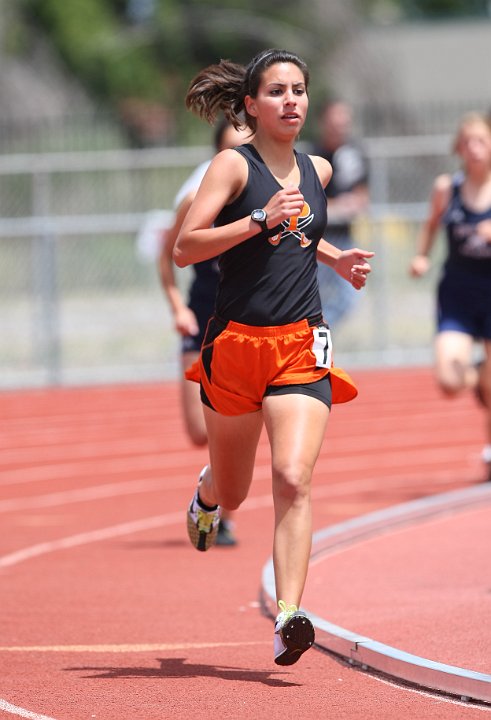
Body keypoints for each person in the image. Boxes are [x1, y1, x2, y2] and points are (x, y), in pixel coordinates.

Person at [173, 48, 373, 666]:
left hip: (299, 344)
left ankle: (289, 614)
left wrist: (333, 255)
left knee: (292, 476)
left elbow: (299, 237)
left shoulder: (318, 167)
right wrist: (258, 218)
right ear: (252, 106)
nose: (291, 101)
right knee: (235, 491)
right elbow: (186, 247)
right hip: (235, 346)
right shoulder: (233, 168)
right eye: (277, 91)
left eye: (299, 90)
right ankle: (207, 495)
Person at [158, 118, 251, 546]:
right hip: (201, 318)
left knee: (225, 426)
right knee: (199, 431)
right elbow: (167, 257)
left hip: (242, 324)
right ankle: (212, 478)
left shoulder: (263, 202)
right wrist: (178, 307)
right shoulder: (196, 201)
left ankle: (223, 516)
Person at [409, 112, 491, 482]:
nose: (473, 149)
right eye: (467, 142)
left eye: (481, 141)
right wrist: (422, 255)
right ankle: (480, 374)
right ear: (457, 148)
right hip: (457, 290)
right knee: (449, 380)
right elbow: (430, 226)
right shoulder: (447, 187)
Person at [312, 99, 370, 328]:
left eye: (344, 121)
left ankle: (318, 332)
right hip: (314, 237)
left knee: (349, 298)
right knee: (310, 296)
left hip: (343, 237)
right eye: (334, 121)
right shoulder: (311, 154)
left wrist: (353, 203)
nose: (339, 126)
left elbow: (363, 194)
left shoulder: (354, 155)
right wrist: (333, 206)